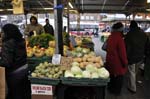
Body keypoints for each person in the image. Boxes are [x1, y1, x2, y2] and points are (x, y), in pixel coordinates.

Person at [0, 24, 31, 99]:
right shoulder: (22, 40)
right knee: (25, 93)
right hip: (25, 70)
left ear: (7, 33)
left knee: (16, 94)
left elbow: (7, 62)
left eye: (2, 32)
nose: (1, 34)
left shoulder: (7, 43)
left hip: (14, 75)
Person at [104, 22, 128, 95]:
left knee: (111, 75)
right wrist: (125, 63)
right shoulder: (120, 39)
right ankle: (116, 92)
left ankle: (110, 88)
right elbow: (122, 53)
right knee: (119, 77)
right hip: (117, 62)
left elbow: (106, 48)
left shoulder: (110, 36)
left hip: (109, 60)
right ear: (121, 29)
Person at [124, 20, 147, 93]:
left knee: (132, 72)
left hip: (132, 57)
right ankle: (133, 83)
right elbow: (147, 45)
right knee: (135, 71)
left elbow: (126, 46)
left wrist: (126, 57)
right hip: (140, 57)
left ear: (131, 27)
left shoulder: (129, 34)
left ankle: (133, 88)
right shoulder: (144, 34)